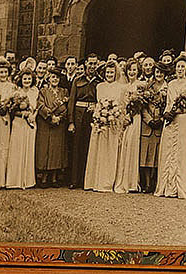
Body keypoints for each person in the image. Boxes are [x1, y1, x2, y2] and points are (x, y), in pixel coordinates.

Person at [155, 55, 186, 199]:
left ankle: (180, 187)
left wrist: (176, 112)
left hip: (183, 119)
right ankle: (166, 186)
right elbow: (168, 102)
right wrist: (167, 114)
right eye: (178, 66)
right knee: (168, 150)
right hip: (170, 120)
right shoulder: (171, 84)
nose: (180, 69)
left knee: (181, 151)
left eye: (182, 66)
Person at [84, 62, 125, 192]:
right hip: (101, 121)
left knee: (110, 151)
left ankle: (108, 181)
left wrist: (113, 114)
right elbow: (98, 103)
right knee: (99, 150)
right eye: (107, 72)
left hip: (113, 121)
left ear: (116, 73)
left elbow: (121, 106)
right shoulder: (100, 87)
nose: (109, 75)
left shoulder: (120, 87)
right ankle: (95, 181)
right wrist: (100, 115)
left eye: (112, 72)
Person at [68, 53, 101, 188]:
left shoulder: (99, 81)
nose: (92, 66)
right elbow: (71, 101)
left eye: (94, 64)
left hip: (92, 115)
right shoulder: (77, 80)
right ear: (86, 63)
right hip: (78, 114)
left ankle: (85, 180)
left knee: (89, 147)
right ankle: (74, 180)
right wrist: (71, 121)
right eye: (90, 63)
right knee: (76, 147)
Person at [5, 70, 38, 189]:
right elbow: (12, 110)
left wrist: (33, 116)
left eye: (29, 79)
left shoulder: (35, 92)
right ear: (21, 80)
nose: (27, 81)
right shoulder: (16, 92)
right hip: (19, 123)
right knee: (17, 149)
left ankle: (27, 180)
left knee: (28, 149)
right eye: (25, 79)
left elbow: (36, 107)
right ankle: (15, 180)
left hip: (31, 123)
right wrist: (22, 114)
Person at [113, 59, 142, 193]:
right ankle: (123, 179)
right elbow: (121, 104)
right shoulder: (124, 87)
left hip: (135, 118)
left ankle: (132, 181)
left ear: (138, 71)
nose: (132, 72)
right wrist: (124, 116)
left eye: (134, 69)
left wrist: (131, 114)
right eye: (130, 69)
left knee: (132, 145)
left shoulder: (141, 85)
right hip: (126, 119)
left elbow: (141, 104)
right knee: (124, 146)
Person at [36, 70, 68, 187]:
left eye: (57, 78)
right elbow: (40, 105)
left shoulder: (64, 92)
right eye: (53, 77)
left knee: (56, 150)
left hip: (59, 125)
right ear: (48, 78)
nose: (55, 79)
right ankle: (44, 178)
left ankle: (54, 177)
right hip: (46, 123)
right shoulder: (43, 91)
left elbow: (66, 108)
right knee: (45, 150)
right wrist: (50, 116)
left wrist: (59, 117)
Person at [139, 63, 167, 193]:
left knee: (156, 155)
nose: (159, 75)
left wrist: (161, 119)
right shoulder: (148, 87)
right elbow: (142, 106)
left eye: (161, 72)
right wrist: (149, 120)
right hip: (147, 125)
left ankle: (155, 181)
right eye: (157, 72)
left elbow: (169, 105)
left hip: (160, 125)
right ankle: (147, 183)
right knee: (145, 154)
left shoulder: (168, 88)